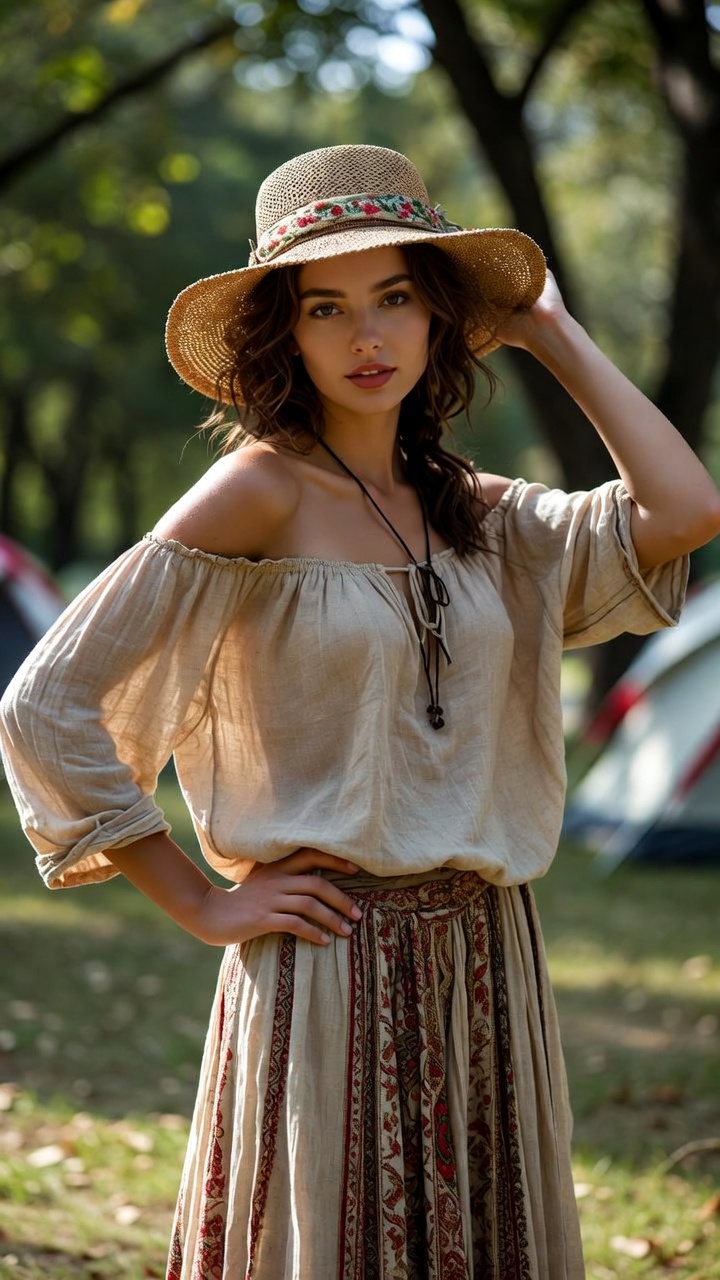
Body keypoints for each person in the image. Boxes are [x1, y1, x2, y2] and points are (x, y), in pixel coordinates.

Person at [1, 143, 719, 1280]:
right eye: (326, 306)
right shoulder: (260, 487)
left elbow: (683, 507)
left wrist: (548, 330)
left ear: (437, 316)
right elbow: (46, 702)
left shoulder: (483, 514)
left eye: (395, 296)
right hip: (324, 959)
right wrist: (194, 899)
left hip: (488, 960)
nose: (366, 336)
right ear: (284, 330)